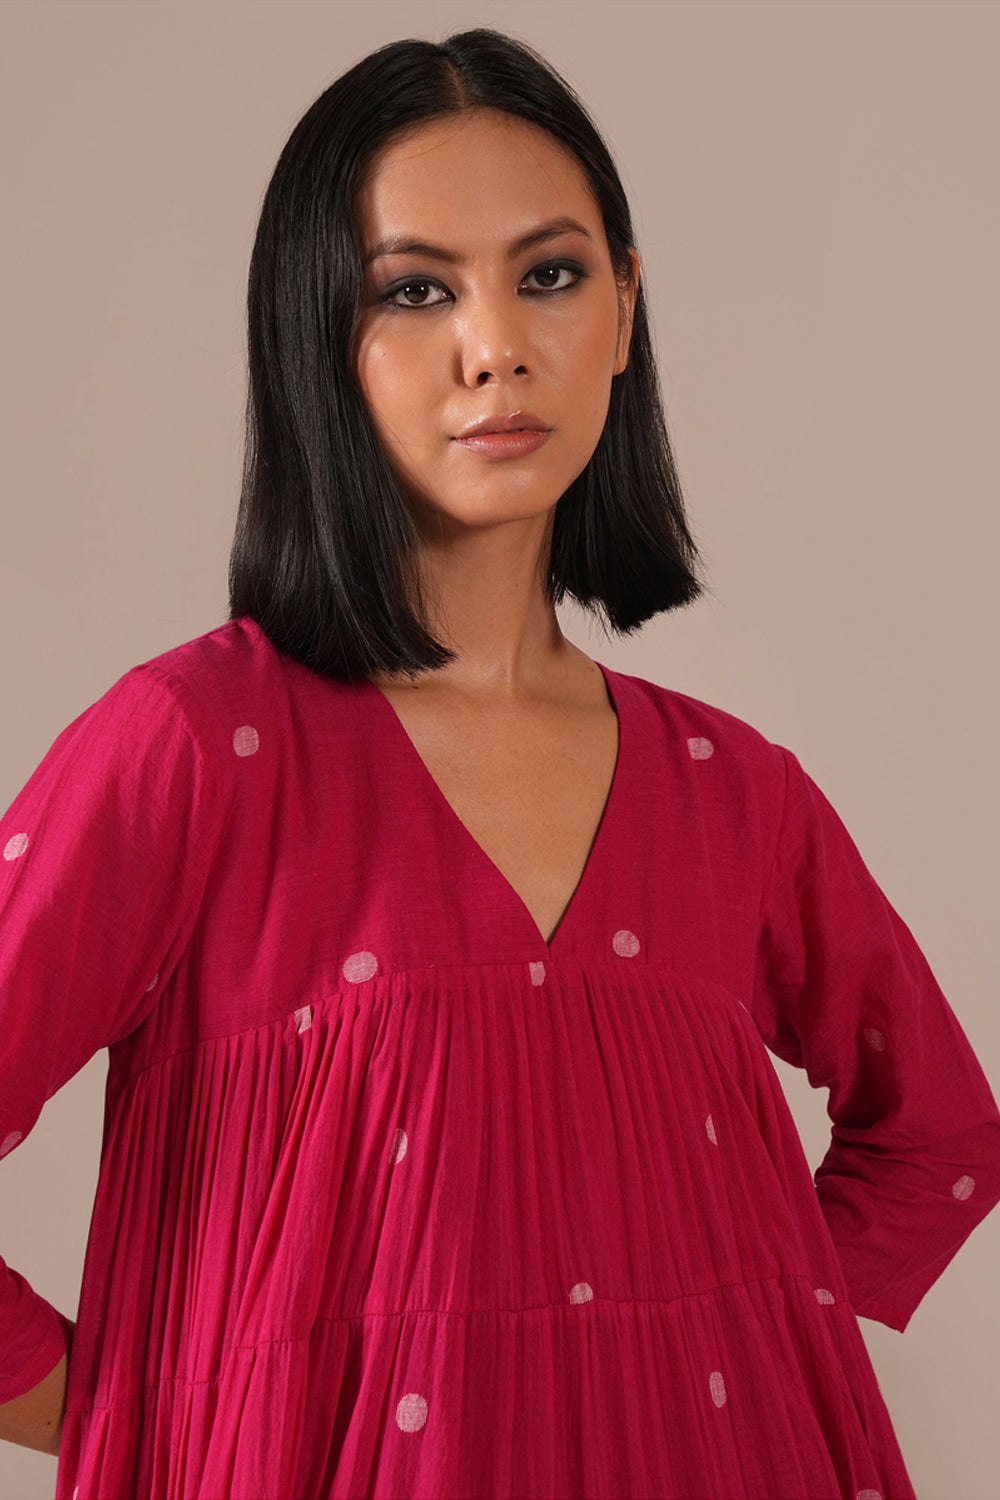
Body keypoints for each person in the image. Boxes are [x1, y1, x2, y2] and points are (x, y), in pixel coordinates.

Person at [1, 25, 998, 1500]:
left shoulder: (735, 792)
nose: (497, 347)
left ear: (624, 307)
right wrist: (133, 1416)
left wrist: (742, 1357)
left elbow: (942, 1136)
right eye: (415, 290)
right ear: (316, 337)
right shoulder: (198, 750)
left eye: (550, 274)